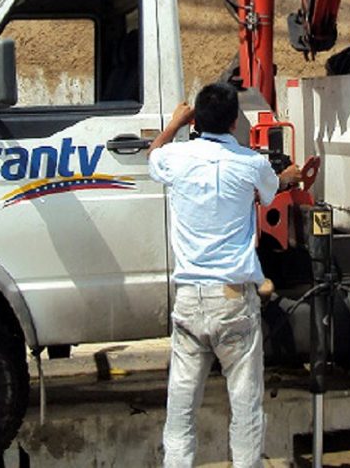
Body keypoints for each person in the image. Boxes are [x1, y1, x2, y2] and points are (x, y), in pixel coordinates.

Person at [149, 82, 301, 468]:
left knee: (180, 412)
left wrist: (174, 123)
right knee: (246, 406)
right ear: (235, 123)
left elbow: (153, 156)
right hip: (233, 301)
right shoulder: (251, 163)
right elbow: (271, 190)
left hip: (188, 301)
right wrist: (292, 176)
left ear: (196, 119)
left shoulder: (177, 159)